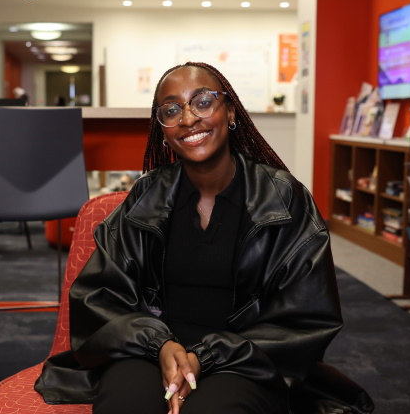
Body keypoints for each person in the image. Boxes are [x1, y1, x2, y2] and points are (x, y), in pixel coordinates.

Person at [35, 62, 373, 414]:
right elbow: (99, 295)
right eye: (171, 109)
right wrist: (159, 345)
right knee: (125, 404)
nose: (188, 118)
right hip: (151, 350)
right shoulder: (146, 195)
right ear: (162, 130)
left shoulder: (284, 198)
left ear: (229, 112)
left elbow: (306, 316)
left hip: (246, 358)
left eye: (202, 102)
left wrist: (208, 356)